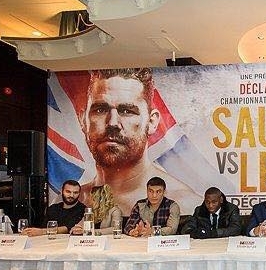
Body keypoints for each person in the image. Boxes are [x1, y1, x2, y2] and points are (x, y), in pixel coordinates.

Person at [78, 67, 202, 217]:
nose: (112, 123)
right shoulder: (73, 200)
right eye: (100, 110)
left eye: (127, 111)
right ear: (83, 120)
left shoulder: (185, 204)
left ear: (151, 122)